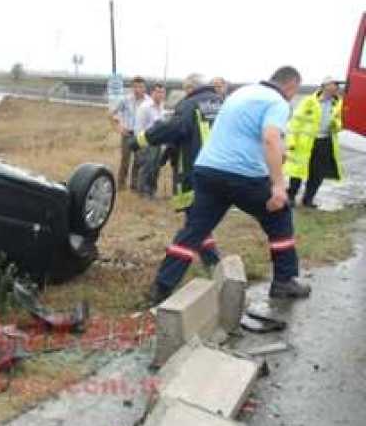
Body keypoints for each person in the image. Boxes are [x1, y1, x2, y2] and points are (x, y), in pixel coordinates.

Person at [148, 67, 311, 304]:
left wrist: (277, 154)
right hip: (243, 175)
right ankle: (284, 282)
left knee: (194, 230)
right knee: (280, 216)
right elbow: (271, 138)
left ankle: (161, 288)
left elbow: (247, 135)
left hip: (207, 171)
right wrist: (278, 186)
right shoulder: (278, 102)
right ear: (292, 85)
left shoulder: (241, 93)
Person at [131, 75, 223, 266]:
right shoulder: (221, 103)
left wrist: (139, 141)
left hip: (196, 170)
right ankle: (211, 260)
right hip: (219, 170)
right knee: (200, 220)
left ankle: (168, 278)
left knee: (194, 223)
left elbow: (170, 128)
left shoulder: (189, 105)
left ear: (189, 89)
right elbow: (188, 132)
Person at [284, 76, 344, 208]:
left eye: (338, 85)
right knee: (298, 171)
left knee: (318, 173)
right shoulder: (309, 101)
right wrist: (292, 141)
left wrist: (336, 125)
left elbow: (340, 123)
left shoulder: (338, 103)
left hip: (325, 142)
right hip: (306, 142)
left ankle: (308, 199)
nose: (337, 87)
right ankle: (291, 197)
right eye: (335, 84)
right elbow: (295, 122)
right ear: (325, 86)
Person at [110, 76, 150, 191]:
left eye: (141, 86)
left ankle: (134, 185)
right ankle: (121, 185)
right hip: (127, 134)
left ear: (145, 88)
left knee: (138, 161)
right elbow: (112, 113)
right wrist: (118, 127)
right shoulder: (125, 100)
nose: (138, 89)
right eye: (136, 87)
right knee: (125, 161)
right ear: (132, 88)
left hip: (141, 135)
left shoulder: (149, 102)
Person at [135, 83, 166, 197]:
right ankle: (142, 192)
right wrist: (141, 146)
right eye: (157, 92)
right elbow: (139, 127)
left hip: (158, 143)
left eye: (162, 92)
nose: (160, 94)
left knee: (156, 168)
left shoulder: (161, 106)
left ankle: (152, 191)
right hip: (147, 142)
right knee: (146, 168)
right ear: (152, 93)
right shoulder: (145, 107)